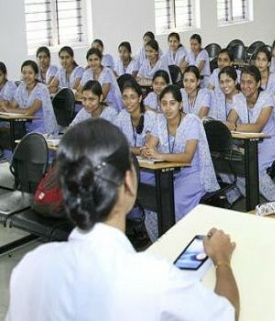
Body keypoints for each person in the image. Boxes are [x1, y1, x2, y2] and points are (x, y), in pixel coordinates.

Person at [6, 118, 239, 321]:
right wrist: (222, 260)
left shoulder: (31, 266)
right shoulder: (151, 276)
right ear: (129, 182)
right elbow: (226, 314)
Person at [142, 85, 219, 238]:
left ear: (180, 104)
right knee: (150, 200)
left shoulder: (192, 121)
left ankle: (180, 240)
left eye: (172, 103)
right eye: (164, 103)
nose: (168, 108)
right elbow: (150, 146)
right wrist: (147, 150)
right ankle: (161, 242)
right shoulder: (159, 120)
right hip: (170, 171)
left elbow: (187, 156)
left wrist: (160, 155)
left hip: (193, 172)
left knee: (173, 202)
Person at [225, 65, 275, 201]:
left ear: (258, 83)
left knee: (254, 167)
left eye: (249, 82)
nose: (245, 86)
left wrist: (234, 126)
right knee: (236, 165)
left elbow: (257, 127)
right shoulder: (238, 98)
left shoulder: (266, 98)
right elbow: (229, 122)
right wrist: (231, 125)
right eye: (242, 82)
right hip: (249, 143)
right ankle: (252, 198)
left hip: (271, 143)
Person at [0, 60, 57, 135]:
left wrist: (7, 108)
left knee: (11, 135)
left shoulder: (42, 89)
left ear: (36, 75)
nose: (26, 76)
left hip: (43, 129)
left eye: (30, 73)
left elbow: (29, 112)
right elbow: (12, 106)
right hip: (26, 127)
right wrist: (5, 104)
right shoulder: (21, 87)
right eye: (24, 73)